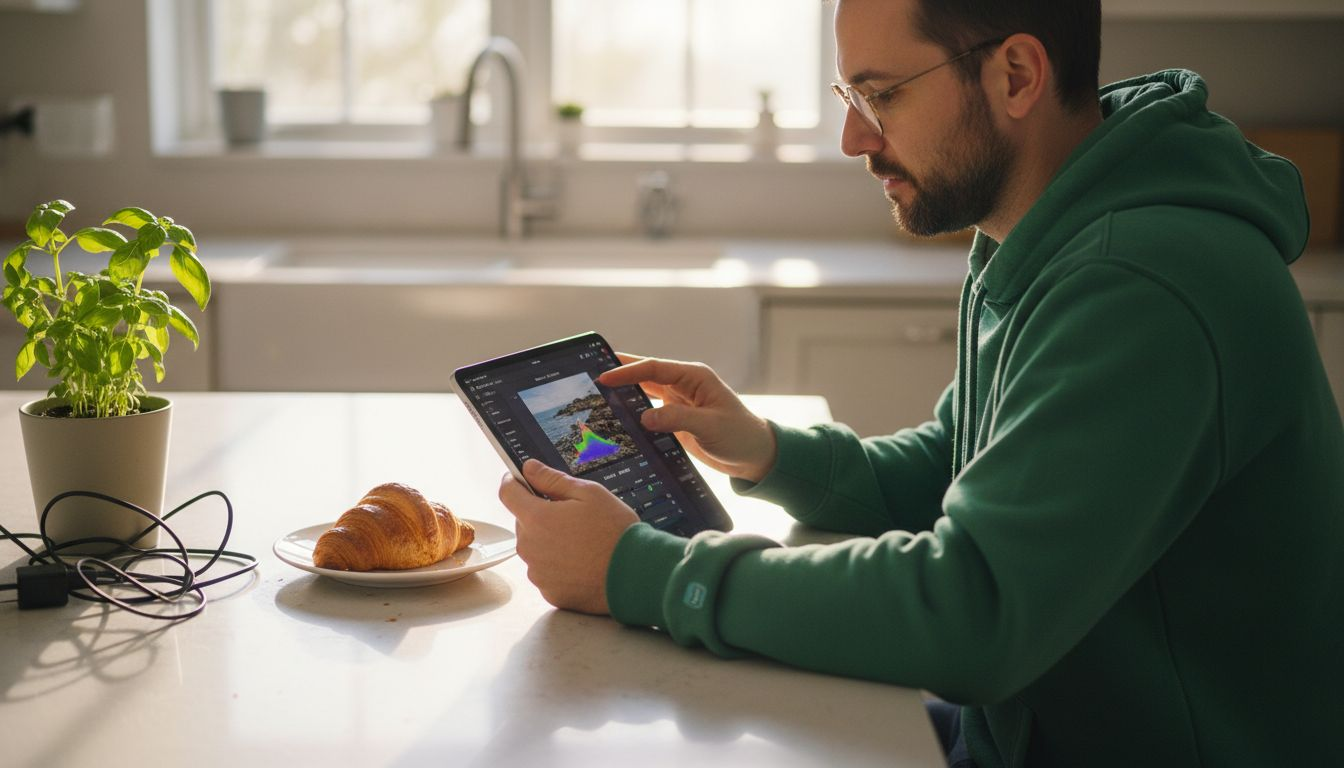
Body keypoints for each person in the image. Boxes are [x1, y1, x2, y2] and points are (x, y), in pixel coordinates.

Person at [498, 0, 1344, 765]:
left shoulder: (1142, 281)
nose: (856, 140)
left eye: (883, 95)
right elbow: (962, 466)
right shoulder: (1047, 228)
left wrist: (643, 572)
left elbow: (974, 610)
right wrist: (767, 450)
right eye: (848, 100)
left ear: (1016, 75)